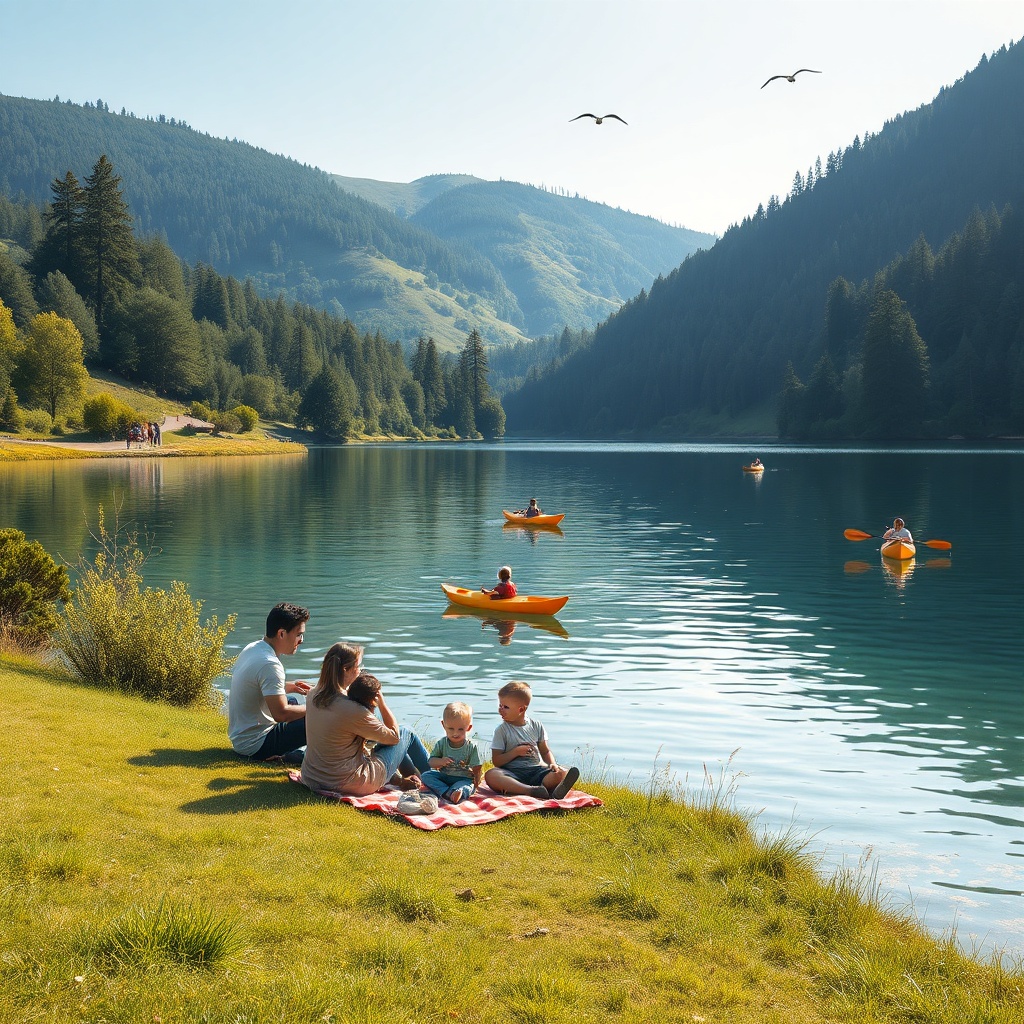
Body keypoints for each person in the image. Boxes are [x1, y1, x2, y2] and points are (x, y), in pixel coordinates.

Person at [301, 669, 430, 796]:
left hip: (326, 776)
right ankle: (434, 776)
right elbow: (395, 737)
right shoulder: (361, 716)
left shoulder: (340, 706)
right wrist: (382, 704)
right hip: (352, 781)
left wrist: (399, 779)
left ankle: (411, 776)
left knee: (389, 744)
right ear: (374, 699)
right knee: (406, 731)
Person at [227, 602, 311, 764]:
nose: (301, 640)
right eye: (299, 634)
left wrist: (290, 686)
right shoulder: (270, 664)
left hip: (241, 736)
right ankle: (304, 757)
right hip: (256, 744)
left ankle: (296, 752)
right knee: (318, 719)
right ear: (281, 633)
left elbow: (256, 686)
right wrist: (317, 707)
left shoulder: (254, 647)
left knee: (292, 701)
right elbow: (281, 714)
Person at [484, 680, 580, 800]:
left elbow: (545, 751)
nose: (500, 709)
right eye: (500, 705)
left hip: (536, 771)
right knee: (491, 775)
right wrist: (516, 752)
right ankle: (531, 791)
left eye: (506, 707)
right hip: (512, 774)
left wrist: (552, 764)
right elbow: (497, 761)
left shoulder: (536, 725)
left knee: (561, 772)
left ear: (521, 709)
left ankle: (551, 791)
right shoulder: (501, 730)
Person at [421, 701, 483, 804]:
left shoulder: (471, 746)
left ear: (468, 728)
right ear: (443, 725)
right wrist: (441, 761)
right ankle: (447, 792)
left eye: (460, 729)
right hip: (445, 777)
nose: (455, 733)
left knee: (468, 786)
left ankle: (457, 792)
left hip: (463, 778)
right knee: (426, 776)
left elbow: (477, 768)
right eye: (451, 729)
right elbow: (431, 762)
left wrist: (476, 779)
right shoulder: (442, 743)